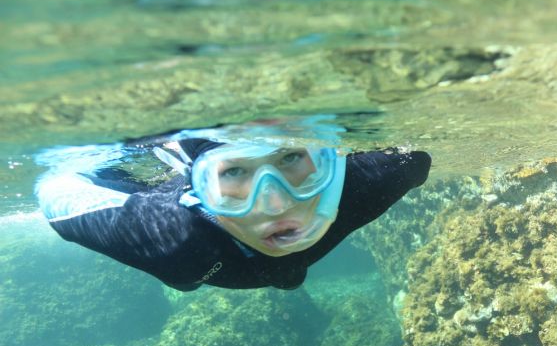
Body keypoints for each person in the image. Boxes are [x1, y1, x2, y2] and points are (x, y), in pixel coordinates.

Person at [35, 116, 431, 291]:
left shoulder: (368, 181)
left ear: (329, 158)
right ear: (196, 188)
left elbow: (416, 156)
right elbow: (56, 193)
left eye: (291, 157)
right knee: (182, 277)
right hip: (192, 263)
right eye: (233, 173)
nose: (275, 204)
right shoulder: (170, 239)